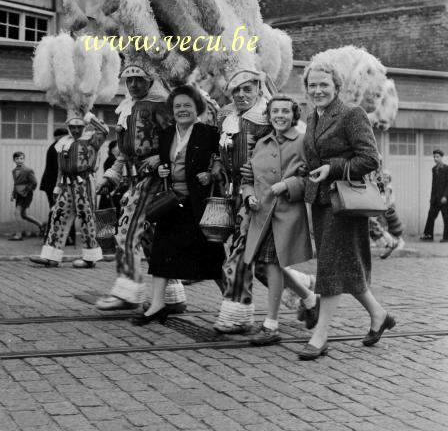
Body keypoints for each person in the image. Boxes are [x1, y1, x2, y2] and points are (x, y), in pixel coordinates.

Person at [300, 59, 394, 360]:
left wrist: (333, 168)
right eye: (312, 85)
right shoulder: (312, 117)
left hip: (344, 202)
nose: (318, 90)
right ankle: (378, 315)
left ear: (336, 86)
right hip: (322, 202)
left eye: (324, 84)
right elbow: (313, 159)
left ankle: (321, 334)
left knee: (329, 266)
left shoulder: (352, 114)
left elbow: (370, 159)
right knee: (347, 266)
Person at [95, 64, 186, 311]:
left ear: (151, 80)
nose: (133, 84)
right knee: (152, 238)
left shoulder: (160, 105)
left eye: (139, 79)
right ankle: (172, 295)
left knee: (126, 232)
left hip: (156, 180)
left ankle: (128, 291)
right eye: (129, 79)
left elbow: (181, 136)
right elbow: (124, 153)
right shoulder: (127, 107)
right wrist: (111, 175)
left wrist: (162, 157)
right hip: (136, 179)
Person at [133, 85, 225, 325]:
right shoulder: (166, 134)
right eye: (178, 106)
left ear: (198, 109)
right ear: (172, 110)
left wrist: (212, 174)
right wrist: (162, 168)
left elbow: (221, 162)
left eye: (187, 106)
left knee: (212, 258)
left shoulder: (209, 133)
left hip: (198, 204)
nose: (182, 110)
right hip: (172, 203)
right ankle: (157, 305)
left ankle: (231, 303)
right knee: (161, 256)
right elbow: (165, 162)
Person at [242, 95, 318, 345]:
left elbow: (312, 178)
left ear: (294, 114)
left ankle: (271, 325)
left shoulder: (303, 142)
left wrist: (288, 184)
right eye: (275, 111)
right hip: (261, 215)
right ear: (269, 114)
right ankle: (309, 298)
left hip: (285, 215)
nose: (280, 116)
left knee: (273, 266)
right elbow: (248, 179)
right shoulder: (261, 143)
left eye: (286, 111)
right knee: (266, 266)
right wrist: (249, 196)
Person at [212, 69, 272, 333]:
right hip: (232, 195)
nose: (241, 94)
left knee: (238, 255)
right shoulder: (225, 115)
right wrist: (215, 165)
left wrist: (257, 172)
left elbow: (282, 154)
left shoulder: (269, 116)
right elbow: (221, 149)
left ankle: (237, 312)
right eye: (236, 89)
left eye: (247, 89)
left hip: (257, 197)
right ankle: (305, 294)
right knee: (257, 262)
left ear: (259, 88)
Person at [30, 111, 109, 268]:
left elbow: (104, 130)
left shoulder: (92, 139)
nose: (75, 130)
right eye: (72, 127)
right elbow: (61, 168)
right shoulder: (63, 142)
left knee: (86, 219)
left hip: (84, 182)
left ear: (84, 126)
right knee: (58, 216)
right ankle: (51, 256)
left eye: (79, 127)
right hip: (66, 184)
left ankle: (89, 258)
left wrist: (88, 115)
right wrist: (57, 187)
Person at [40, 127, 69, 241]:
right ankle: (52, 236)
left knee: (56, 209)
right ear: (58, 137)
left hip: (52, 183)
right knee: (57, 209)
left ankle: (54, 236)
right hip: (54, 184)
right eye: (64, 136)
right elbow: (59, 169)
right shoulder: (57, 148)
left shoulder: (56, 147)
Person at [9, 151, 42, 241]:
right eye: (17, 158)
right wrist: (13, 194)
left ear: (24, 159)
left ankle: (18, 234)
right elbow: (16, 184)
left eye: (21, 158)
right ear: (14, 160)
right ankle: (41, 225)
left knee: (17, 212)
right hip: (18, 195)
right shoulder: (14, 171)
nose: (19, 160)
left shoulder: (28, 170)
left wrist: (26, 190)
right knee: (23, 215)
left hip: (26, 195)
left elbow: (34, 182)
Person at [421, 149, 448, 242]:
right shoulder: (434, 169)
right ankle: (428, 235)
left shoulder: (446, 168)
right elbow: (433, 185)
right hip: (435, 199)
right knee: (431, 216)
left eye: (437, 157)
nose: (435, 159)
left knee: (446, 218)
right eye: (434, 157)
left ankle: (446, 238)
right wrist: (432, 198)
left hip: (444, 199)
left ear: (441, 157)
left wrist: (445, 196)